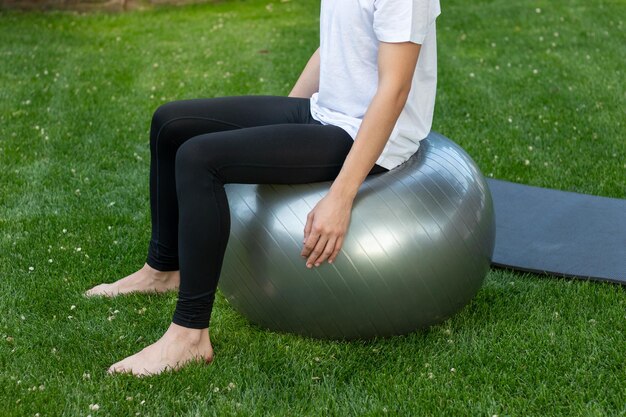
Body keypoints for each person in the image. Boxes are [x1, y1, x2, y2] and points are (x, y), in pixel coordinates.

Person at [85, 0, 441, 376]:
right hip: (325, 113)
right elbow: (334, 49)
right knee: (171, 124)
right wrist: (280, 127)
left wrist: (341, 195)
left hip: (362, 137)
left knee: (198, 159)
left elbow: (395, 89)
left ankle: (189, 337)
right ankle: (163, 271)